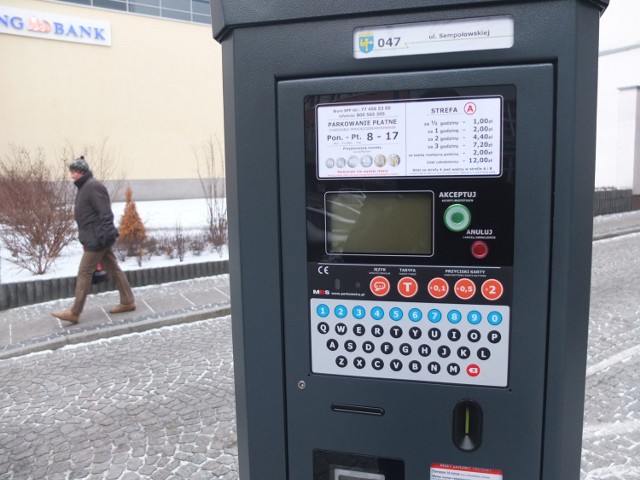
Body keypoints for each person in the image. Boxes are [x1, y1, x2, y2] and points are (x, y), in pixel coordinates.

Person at [52, 157, 135, 323]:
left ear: (82, 172)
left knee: (84, 272)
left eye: (74, 171)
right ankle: (127, 301)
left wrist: (104, 236)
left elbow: (105, 213)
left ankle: (75, 312)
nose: (71, 175)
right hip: (95, 236)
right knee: (113, 269)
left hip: (97, 238)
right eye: (71, 171)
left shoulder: (93, 186)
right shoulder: (85, 187)